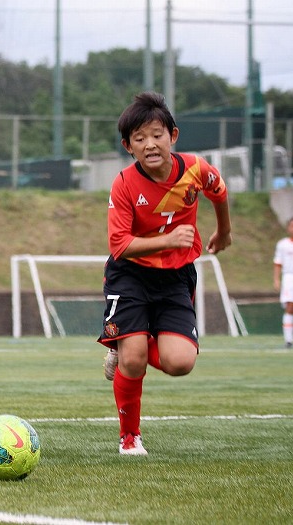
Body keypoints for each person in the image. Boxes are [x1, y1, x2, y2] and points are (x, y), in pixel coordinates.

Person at [98, 91, 232, 456]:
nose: (149, 144)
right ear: (128, 147)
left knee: (180, 362)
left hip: (176, 277)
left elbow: (219, 192)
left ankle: (126, 344)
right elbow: (119, 245)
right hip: (130, 275)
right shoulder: (124, 184)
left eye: (156, 134)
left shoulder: (195, 169)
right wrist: (169, 238)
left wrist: (225, 231)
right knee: (135, 357)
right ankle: (129, 437)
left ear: (173, 135)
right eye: (139, 139)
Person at [273, 216, 293, 349]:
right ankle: (288, 339)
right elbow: (277, 263)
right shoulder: (282, 244)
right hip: (289, 278)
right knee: (290, 306)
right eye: (292, 226)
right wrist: (276, 280)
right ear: (288, 228)